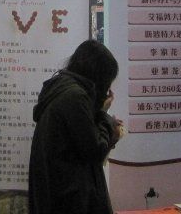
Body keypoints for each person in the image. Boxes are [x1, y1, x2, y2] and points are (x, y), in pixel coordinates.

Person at [29, 39, 122, 214]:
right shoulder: (75, 97)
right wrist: (105, 117)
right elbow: (95, 150)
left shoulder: (61, 89)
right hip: (71, 199)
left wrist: (100, 115)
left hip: (57, 196)